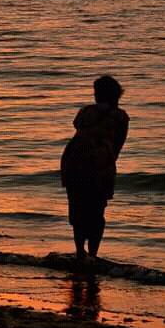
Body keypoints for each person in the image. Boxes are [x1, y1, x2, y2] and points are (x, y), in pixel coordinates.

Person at [61, 75, 129, 265]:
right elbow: (117, 144)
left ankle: (81, 253)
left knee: (79, 211)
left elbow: (78, 124)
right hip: (97, 168)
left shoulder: (88, 112)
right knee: (96, 213)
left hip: (76, 165)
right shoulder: (118, 116)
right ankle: (91, 254)